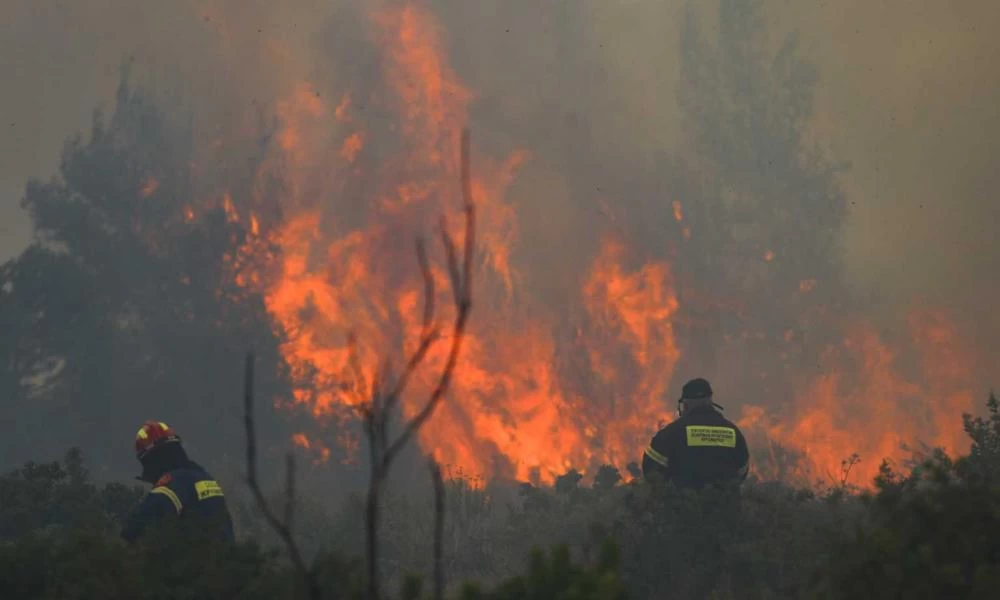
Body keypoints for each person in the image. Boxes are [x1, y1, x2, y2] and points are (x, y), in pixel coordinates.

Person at [121, 420, 235, 544]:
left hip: (197, 560)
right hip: (226, 557)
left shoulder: (175, 481)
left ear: (153, 458)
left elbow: (140, 521)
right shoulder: (205, 477)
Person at [642, 378, 750, 489]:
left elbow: (651, 469)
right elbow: (742, 470)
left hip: (684, 503)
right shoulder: (732, 432)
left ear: (686, 405)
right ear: (710, 401)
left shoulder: (673, 432)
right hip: (725, 503)